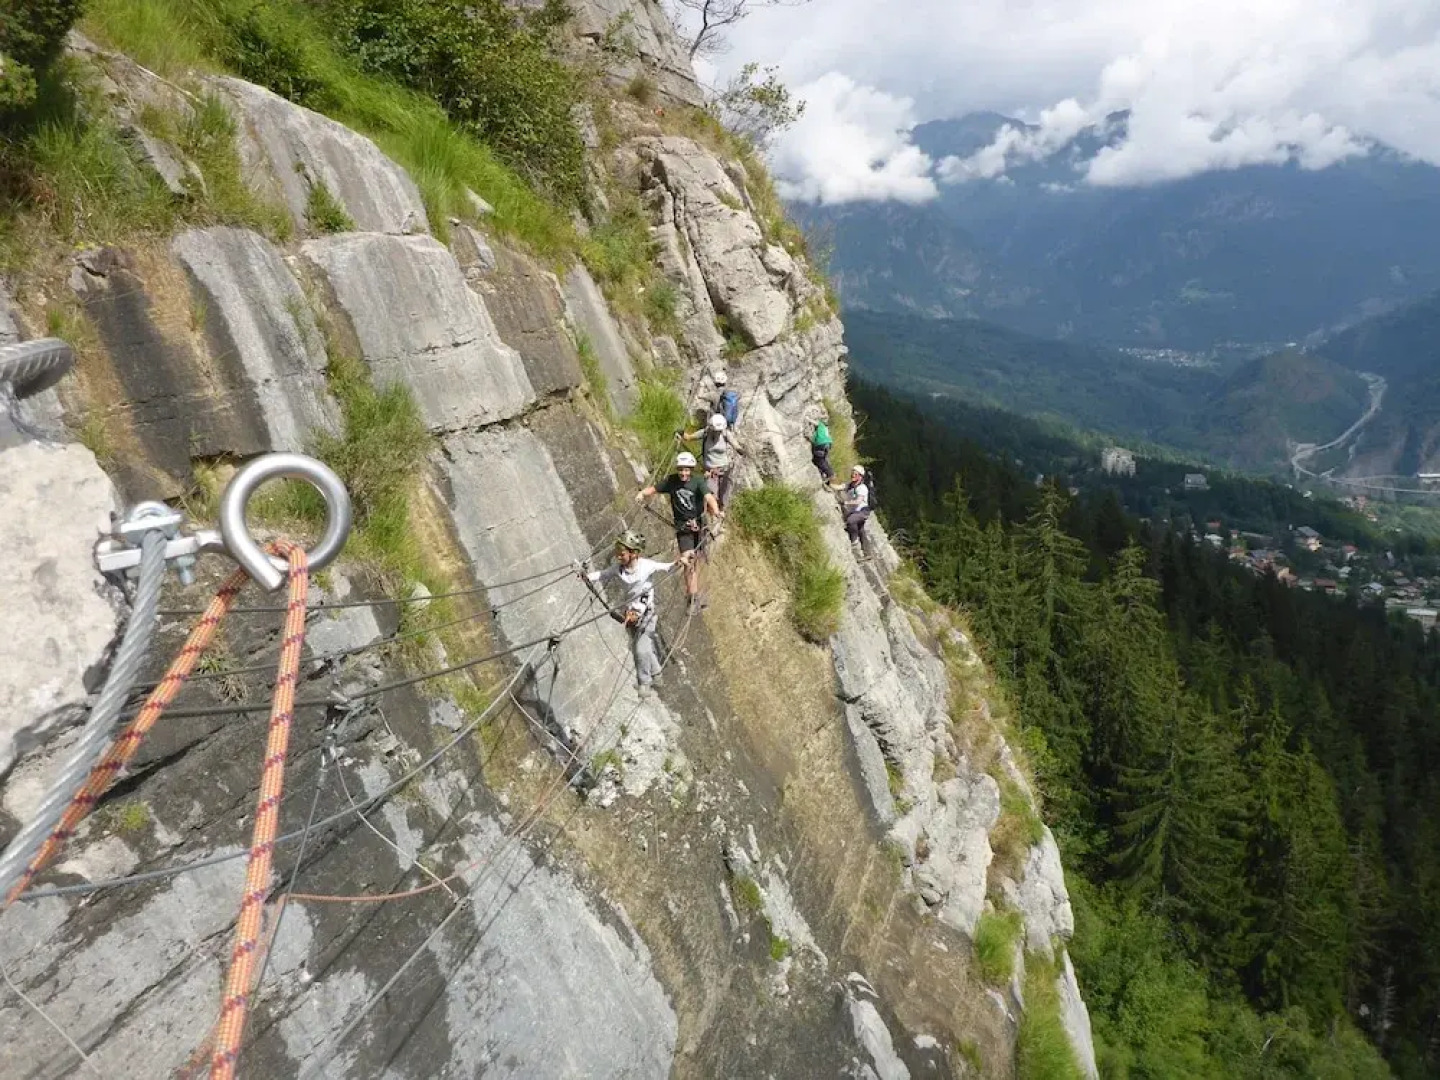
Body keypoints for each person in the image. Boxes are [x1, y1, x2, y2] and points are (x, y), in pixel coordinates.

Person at [582, 531, 686, 694]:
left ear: (634, 553)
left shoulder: (646, 567)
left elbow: (668, 568)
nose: (618, 557)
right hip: (629, 615)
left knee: (641, 649)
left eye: (622, 554)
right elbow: (604, 574)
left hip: (647, 616)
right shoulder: (619, 568)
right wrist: (587, 577)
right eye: (617, 553)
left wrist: (679, 563)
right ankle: (657, 674)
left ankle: (644, 684)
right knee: (642, 645)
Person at [636, 451, 721, 609]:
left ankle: (696, 589)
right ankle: (692, 597)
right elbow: (654, 489)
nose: (683, 472)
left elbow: (708, 497)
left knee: (696, 559)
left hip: (699, 525)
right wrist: (642, 493)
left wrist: (716, 511)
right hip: (683, 528)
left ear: (691, 469)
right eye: (681, 469)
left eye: (686, 469)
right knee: (688, 561)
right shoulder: (671, 481)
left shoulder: (698, 481)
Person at [680, 412, 742, 510]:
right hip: (710, 471)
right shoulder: (705, 433)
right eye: (715, 430)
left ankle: (720, 511)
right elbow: (689, 437)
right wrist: (681, 433)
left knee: (723, 494)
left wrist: (740, 450)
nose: (717, 432)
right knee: (711, 494)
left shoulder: (725, 434)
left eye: (719, 430)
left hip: (724, 469)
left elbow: (735, 444)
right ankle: (711, 514)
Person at [841, 464, 871, 556]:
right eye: (852, 473)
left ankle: (854, 540)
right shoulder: (851, 485)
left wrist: (846, 503)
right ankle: (867, 553)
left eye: (855, 474)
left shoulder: (862, 488)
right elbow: (840, 487)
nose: (853, 475)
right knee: (861, 530)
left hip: (862, 511)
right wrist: (829, 484)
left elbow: (858, 501)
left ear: (860, 477)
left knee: (851, 521)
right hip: (857, 512)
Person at [810, 415, 835, 484]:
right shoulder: (825, 428)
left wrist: (808, 419)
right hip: (828, 444)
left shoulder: (820, 425)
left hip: (821, 444)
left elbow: (815, 423)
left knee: (818, 460)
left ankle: (830, 473)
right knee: (823, 459)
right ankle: (826, 474)